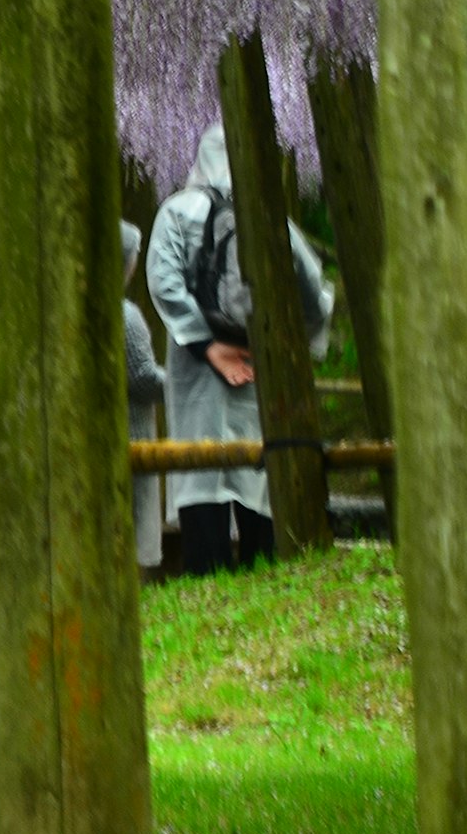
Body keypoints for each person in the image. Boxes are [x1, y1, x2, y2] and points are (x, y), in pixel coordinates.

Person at [144, 127, 335, 573]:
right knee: (258, 478)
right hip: (256, 372)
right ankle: (263, 580)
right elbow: (313, 292)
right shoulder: (266, 214)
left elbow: (164, 283)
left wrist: (207, 345)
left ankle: (204, 585)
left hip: (197, 381)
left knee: (200, 476)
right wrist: (284, 348)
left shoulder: (176, 211)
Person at [122, 222, 168, 576]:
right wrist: (185, 382)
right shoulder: (126, 316)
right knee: (132, 529)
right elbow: (143, 378)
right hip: (131, 434)